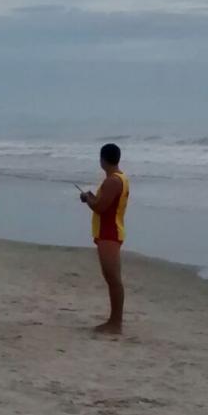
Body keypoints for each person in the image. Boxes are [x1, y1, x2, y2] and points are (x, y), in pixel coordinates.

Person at [80, 143, 129, 335]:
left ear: (102, 159)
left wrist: (87, 199)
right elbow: (105, 204)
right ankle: (114, 320)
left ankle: (115, 323)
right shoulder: (118, 178)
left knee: (113, 278)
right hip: (110, 230)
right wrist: (93, 197)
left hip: (110, 232)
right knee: (112, 278)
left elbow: (100, 208)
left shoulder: (112, 181)